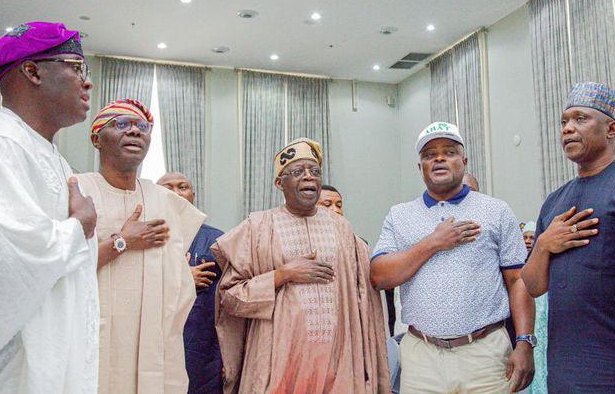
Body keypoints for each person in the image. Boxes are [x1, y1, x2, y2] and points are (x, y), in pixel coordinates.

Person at [0, 21, 99, 394]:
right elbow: (3, 263)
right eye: (76, 68)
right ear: (32, 71)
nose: (88, 82)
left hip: (53, 353)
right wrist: (80, 226)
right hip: (8, 370)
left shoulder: (49, 154)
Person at [211, 138, 389, 394]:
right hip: (278, 359)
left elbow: (364, 297)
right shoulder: (256, 228)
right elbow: (230, 297)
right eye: (297, 172)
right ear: (279, 183)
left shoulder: (342, 228)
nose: (308, 177)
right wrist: (282, 274)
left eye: (314, 171)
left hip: (338, 359)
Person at [371, 122, 535, 394]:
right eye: (429, 155)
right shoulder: (399, 215)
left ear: (464, 161)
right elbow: (379, 276)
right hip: (422, 358)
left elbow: (518, 280)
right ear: (420, 167)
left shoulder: (496, 210)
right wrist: (433, 243)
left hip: (486, 353)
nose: (439, 158)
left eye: (449, 152)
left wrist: (525, 341)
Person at [521, 82, 615, 394]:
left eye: (580, 119)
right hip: (564, 371)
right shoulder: (555, 201)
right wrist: (544, 245)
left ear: (611, 128)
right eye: (564, 122)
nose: (567, 129)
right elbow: (534, 285)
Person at [77, 99, 206, 394]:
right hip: (90, 340)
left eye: (142, 127)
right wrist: (122, 242)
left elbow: (177, 283)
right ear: (96, 139)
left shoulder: (166, 201)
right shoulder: (78, 189)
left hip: (152, 348)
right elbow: (60, 266)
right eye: (121, 124)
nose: (135, 131)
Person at [157, 171, 224, 394]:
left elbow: (231, 296)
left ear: (193, 195)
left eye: (182, 187)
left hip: (202, 346)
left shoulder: (217, 241)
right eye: (167, 188)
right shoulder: (144, 237)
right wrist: (183, 280)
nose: (176, 193)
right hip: (156, 338)